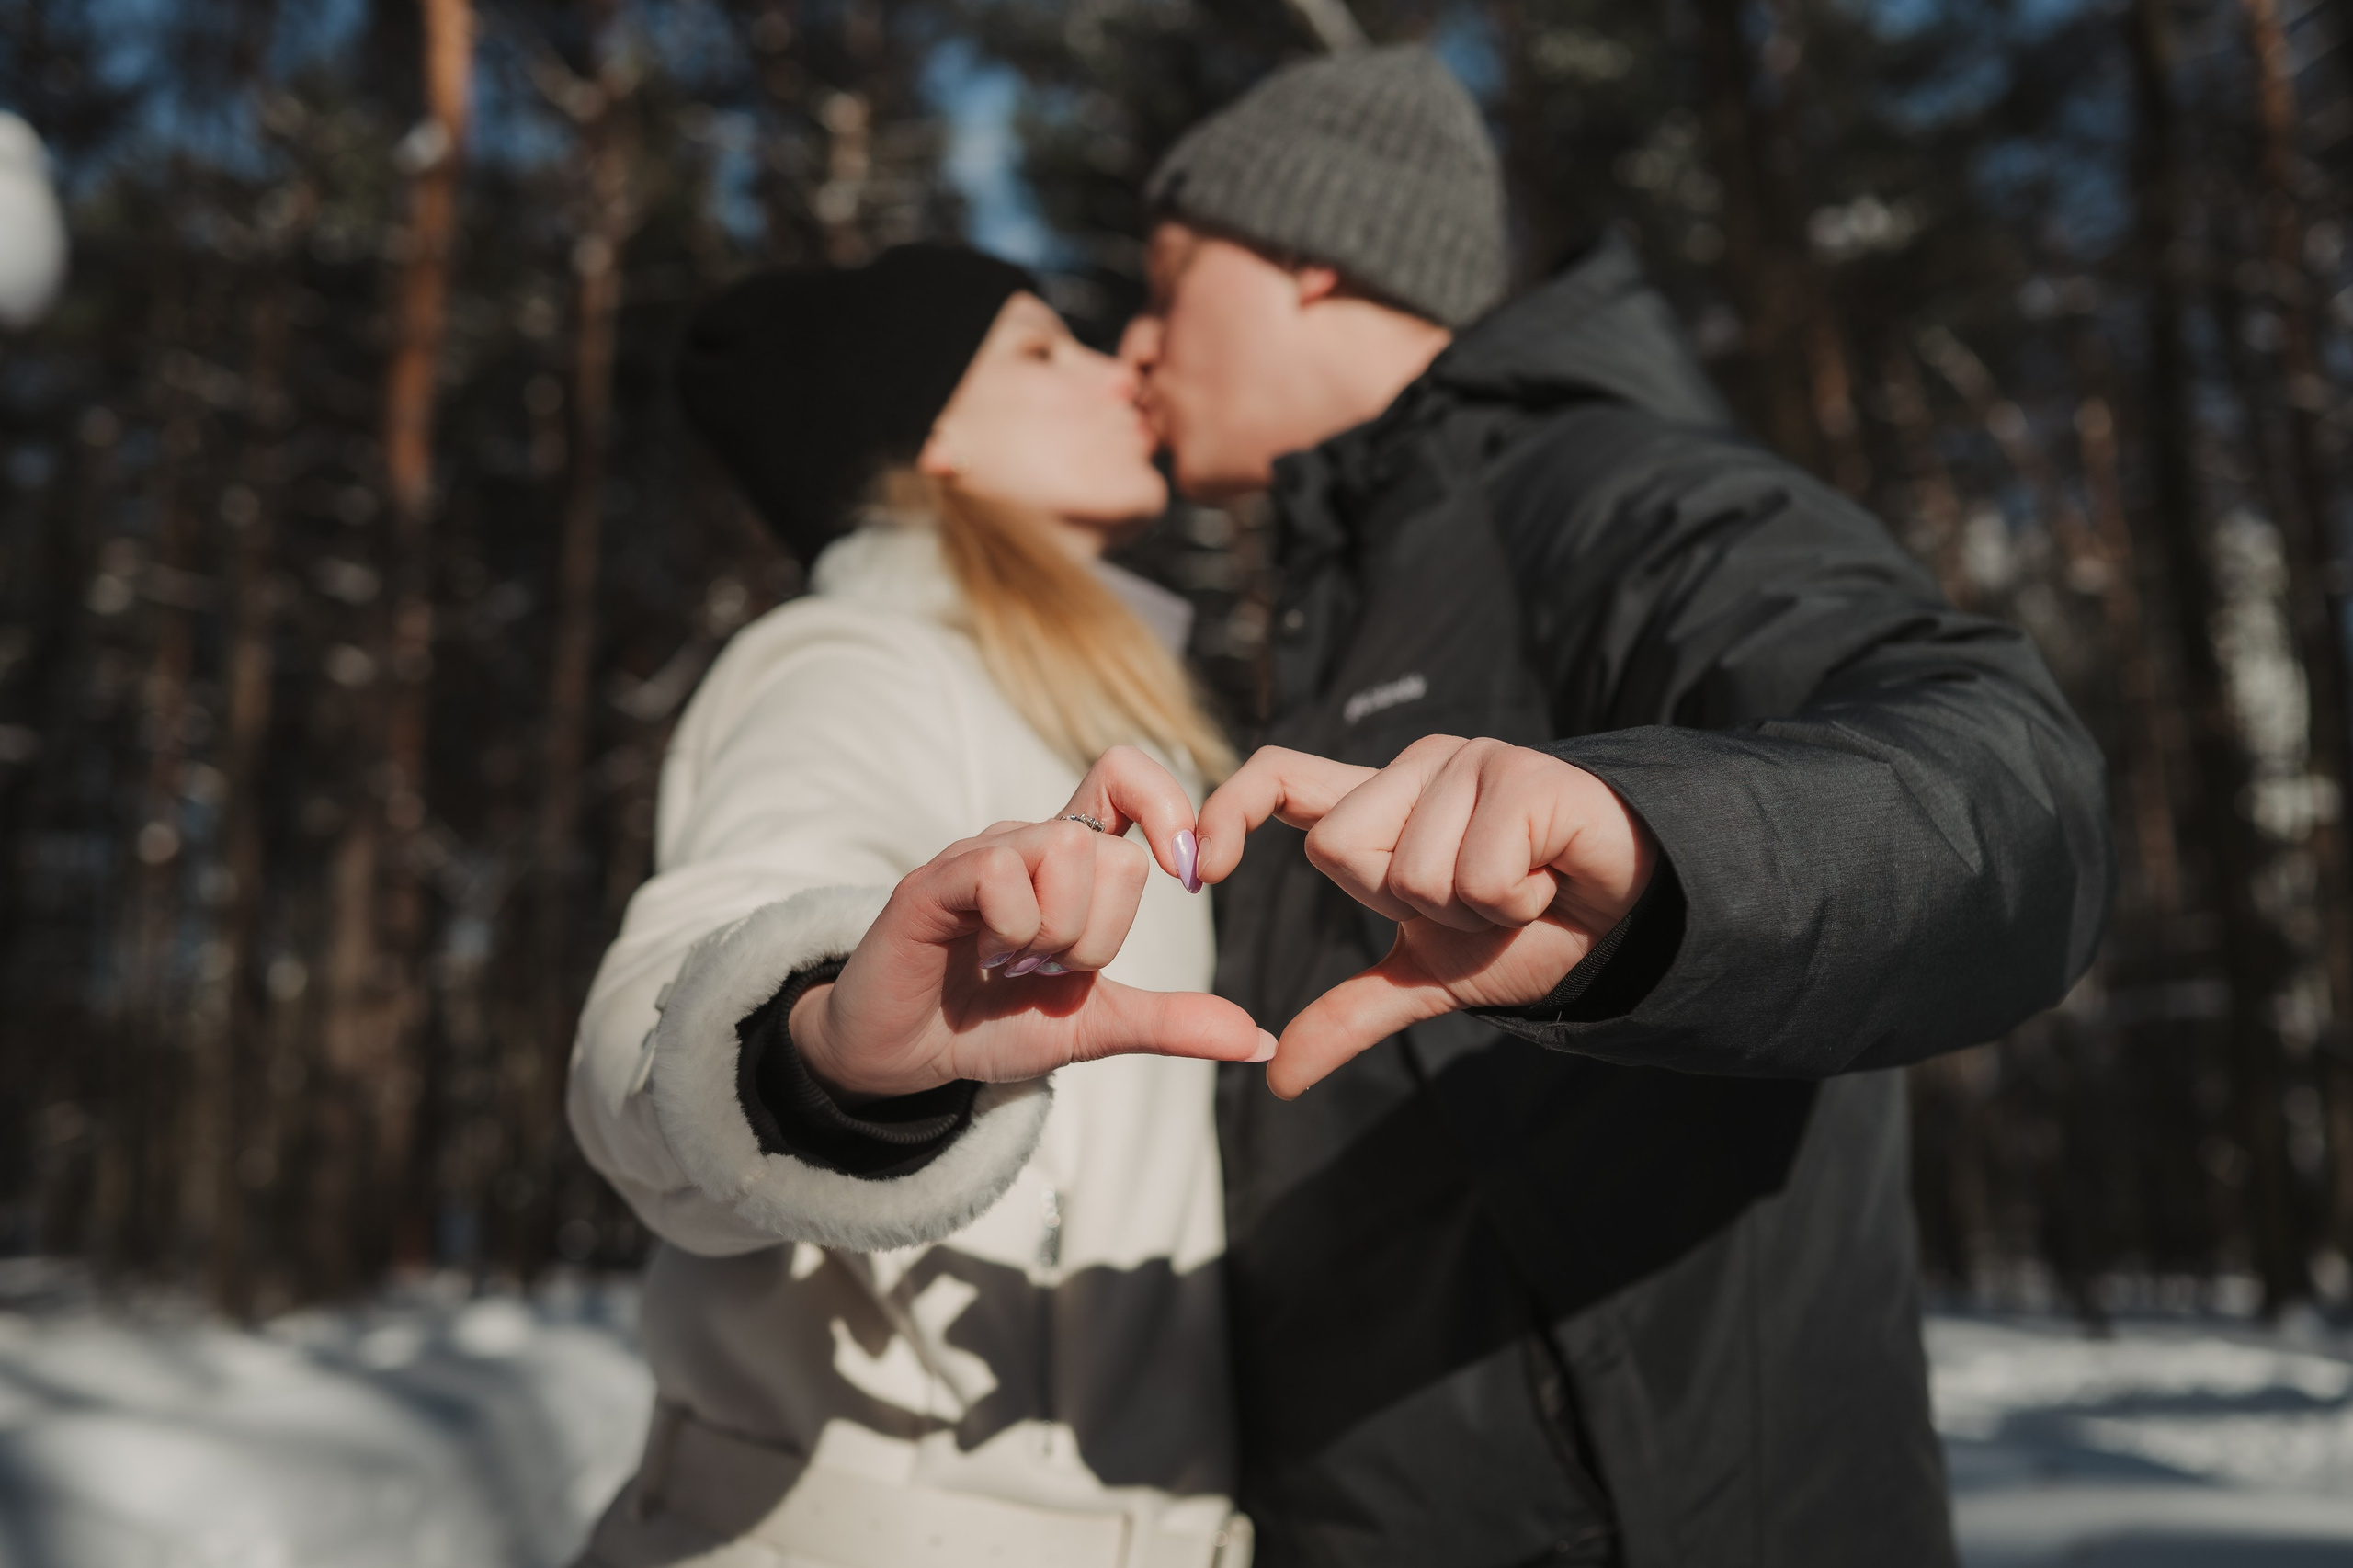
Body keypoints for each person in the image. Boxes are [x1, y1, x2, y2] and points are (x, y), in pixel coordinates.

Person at [739, 47, 2113, 1568]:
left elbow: (2008, 784)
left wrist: (1665, 864)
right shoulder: (1344, 606)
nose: (1136, 345)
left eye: (1173, 279)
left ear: (1314, 265)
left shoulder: (1607, 496)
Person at [568, 244, 1268, 1568]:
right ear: (930, 438)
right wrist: (818, 1060)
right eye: (1039, 347)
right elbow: (664, 1005)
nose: (1117, 359)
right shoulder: (858, 661)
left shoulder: (1065, 693)